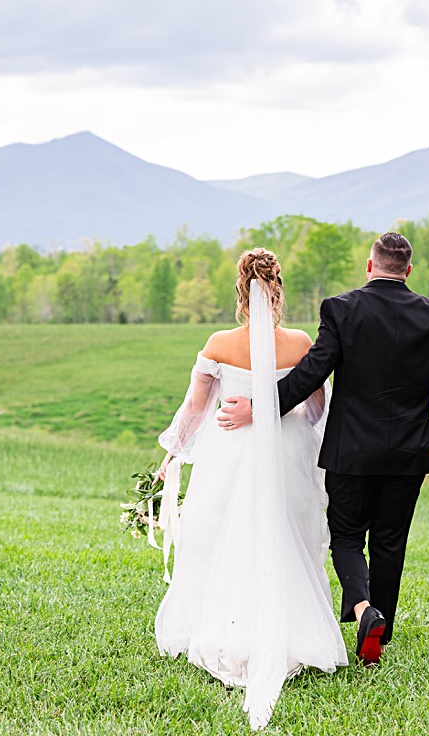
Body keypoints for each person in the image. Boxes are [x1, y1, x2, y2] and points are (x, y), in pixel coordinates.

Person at [217, 232, 429, 667]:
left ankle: (362, 609)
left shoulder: (341, 309)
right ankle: (379, 634)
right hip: (409, 453)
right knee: (390, 541)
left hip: (350, 451)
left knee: (348, 537)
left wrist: (258, 406)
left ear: (370, 266)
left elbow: (309, 375)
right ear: (407, 271)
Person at [153, 248, 347, 731]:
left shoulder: (218, 343)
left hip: (230, 450)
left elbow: (195, 409)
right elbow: (317, 409)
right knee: (288, 534)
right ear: (277, 289)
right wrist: (311, 447)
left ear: (241, 291)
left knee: (217, 535)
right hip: (287, 452)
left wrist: (172, 453)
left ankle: (220, 625)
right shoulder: (302, 342)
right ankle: (290, 628)